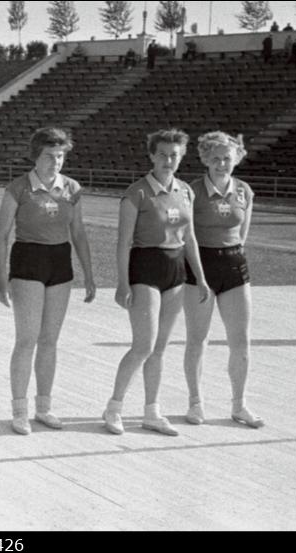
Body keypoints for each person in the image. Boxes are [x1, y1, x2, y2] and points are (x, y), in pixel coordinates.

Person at [102, 129, 210, 437]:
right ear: (151, 155)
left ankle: (152, 411)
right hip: (145, 268)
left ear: (181, 157)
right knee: (143, 345)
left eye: (174, 155)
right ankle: (114, 407)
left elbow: (190, 237)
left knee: (160, 348)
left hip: (175, 270)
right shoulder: (136, 193)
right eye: (162, 154)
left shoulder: (186, 191)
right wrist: (122, 284)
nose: (168, 160)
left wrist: (200, 277)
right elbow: (123, 243)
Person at [0, 127, 96, 435]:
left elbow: (78, 233)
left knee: (50, 340)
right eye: (49, 156)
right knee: (27, 339)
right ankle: (19, 409)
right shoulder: (19, 188)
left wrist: (89, 275)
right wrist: (1, 278)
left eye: (61, 156)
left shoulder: (72, 188)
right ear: (36, 157)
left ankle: (44, 407)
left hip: (59, 261)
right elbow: (1, 235)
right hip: (28, 259)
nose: (55, 162)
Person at [182, 131, 264, 429]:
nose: (221, 164)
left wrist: (231, 255)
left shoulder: (244, 190)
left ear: (236, 159)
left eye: (227, 158)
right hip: (200, 269)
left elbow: (242, 235)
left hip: (234, 267)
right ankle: (195, 402)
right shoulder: (191, 191)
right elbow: (186, 235)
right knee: (197, 339)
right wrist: (199, 274)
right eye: (215, 158)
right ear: (204, 158)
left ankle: (239, 405)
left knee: (240, 341)